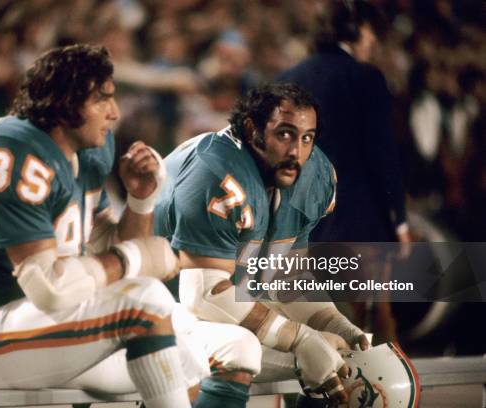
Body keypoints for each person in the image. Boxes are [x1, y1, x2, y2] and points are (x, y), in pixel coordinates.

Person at [0, 44, 194, 408]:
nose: (114, 112)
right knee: (146, 304)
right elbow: (48, 286)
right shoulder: (14, 148)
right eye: (102, 100)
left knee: (191, 336)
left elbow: (106, 250)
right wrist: (133, 257)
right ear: (66, 102)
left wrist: (141, 199)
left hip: (45, 320)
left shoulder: (89, 147)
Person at [154, 83, 369, 407]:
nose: (296, 151)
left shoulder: (314, 175)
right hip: (156, 299)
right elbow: (203, 296)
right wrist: (300, 339)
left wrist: (333, 322)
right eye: (284, 134)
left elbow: (286, 277)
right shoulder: (214, 173)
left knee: (337, 352)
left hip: (221, 297)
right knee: (247, 348)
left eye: (306, 137)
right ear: (253, 130)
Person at [277, 0, 410, 341]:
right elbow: (382, 154)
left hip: (301, 222)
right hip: (359, 220)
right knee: (372, 316)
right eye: (370, 32)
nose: (374, 41)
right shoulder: (365, 77)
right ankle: (382, 391)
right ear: (355, 30)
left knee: (315, 317)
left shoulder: (289, 78)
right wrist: (399, 220)